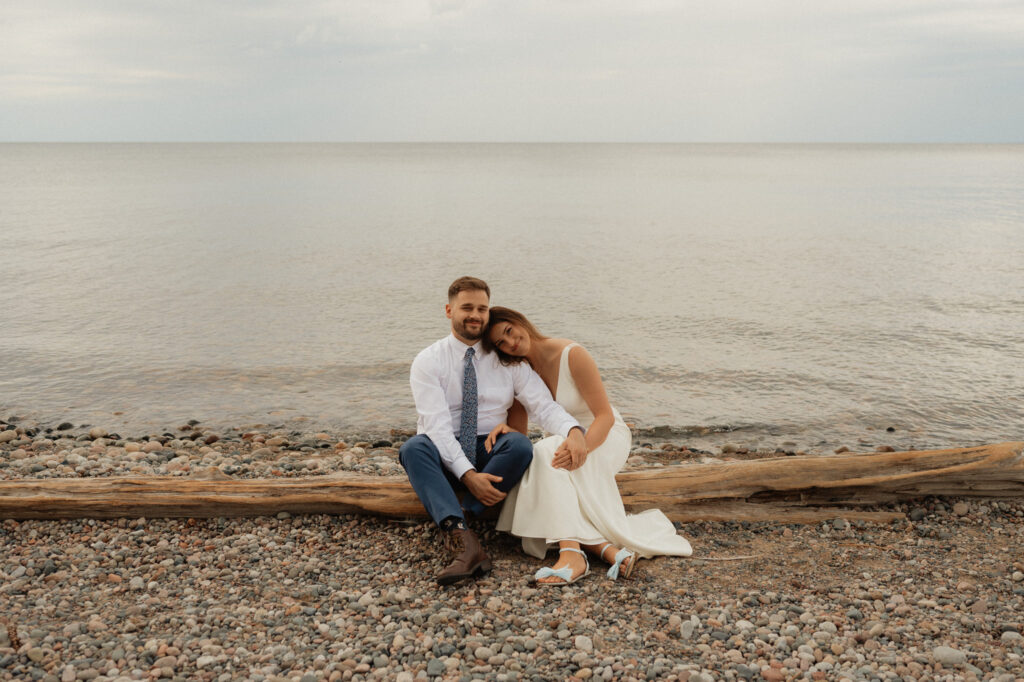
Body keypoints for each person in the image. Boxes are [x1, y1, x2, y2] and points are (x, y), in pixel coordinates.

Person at [400, 277, 588, 586]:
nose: (475, 315)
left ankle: (462, 518)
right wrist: (467, 476)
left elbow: (543, 407)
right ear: (449, 311)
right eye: (467, 308)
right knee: (413, 449)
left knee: (519, 445)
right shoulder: (428, 361)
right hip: (444, 454)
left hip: (491, 454)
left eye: (482, 309)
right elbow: (437, 428)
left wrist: (574, 431)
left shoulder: (508, 362)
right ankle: (466, 542)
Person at [483, 307, 692, 585]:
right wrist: (507, 430)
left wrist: (582, 448)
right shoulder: (520, 371)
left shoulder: (572, 354)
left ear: (520, 321)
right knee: (543, 454)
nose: (510, 343)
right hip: (563, 441)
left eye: (509, 331)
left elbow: (604, 416)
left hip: (603, 435)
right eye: (500, 343)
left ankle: (572, 555)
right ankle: (605, 550)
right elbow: (521, 433)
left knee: (548, 454)